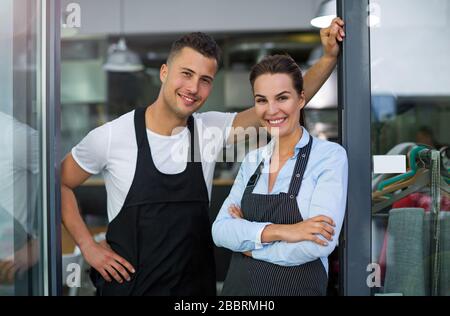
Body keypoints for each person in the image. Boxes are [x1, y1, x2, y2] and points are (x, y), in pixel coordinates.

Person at [61, 19, 346, 296]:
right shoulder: (113, 136)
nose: (193, 88)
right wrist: (88, 246)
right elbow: (59, 183)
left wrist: (328, 58)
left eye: (205, 80)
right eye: (186, 74)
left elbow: (277, 106)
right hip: (130, 289)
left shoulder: (208, 130)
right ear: (164, 72)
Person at [212, 54, 348, 296]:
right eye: (261, 100)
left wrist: (250, 244)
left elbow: (316, 243)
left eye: (282, 98)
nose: (271, 110)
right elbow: (220, 230)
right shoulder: (252, 161)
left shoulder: (328, 157)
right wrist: (283, 231)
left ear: (301, 99)